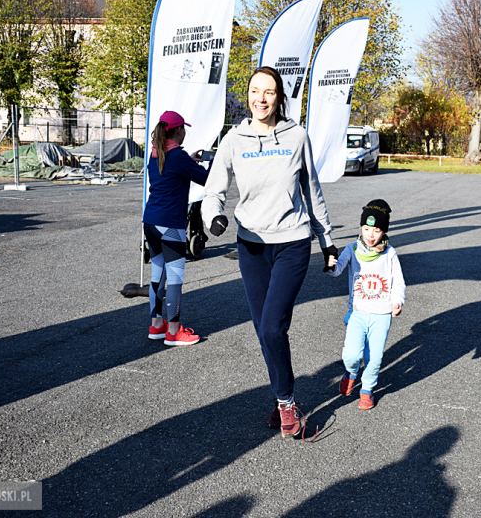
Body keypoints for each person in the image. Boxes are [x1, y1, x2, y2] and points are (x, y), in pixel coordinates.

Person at [201, 66, 337, 439]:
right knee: (265, 331)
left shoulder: (296, 136)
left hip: (292, 243)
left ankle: (287, 400)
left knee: (273, 326)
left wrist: (327, 241)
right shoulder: (234, 139)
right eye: (255, 91)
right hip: (251, 246)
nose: (260, 98)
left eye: (269, 92)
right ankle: (283, 398)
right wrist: (214, 217)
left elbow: (312, 191)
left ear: (280, 98)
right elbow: (213, 189)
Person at [326, 199, 406, 410]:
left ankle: (367, 390)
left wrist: (398, 300)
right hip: (358, 312)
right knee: (351, 354)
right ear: (361, 227)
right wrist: (331, 264)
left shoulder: (390, 253)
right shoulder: (352, 248)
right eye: (366, 228)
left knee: (374, 357)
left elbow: (398, 281)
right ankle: (351, 373)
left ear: (384, 231)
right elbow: (338, 269)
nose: (370, 235)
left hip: (381, 314)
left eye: (377, 230)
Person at [143, 111, 209, 346]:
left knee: (157, 276)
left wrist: (188, 160)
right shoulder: (178, 157)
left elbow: (171, 170)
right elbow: (207, 179)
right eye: (184, 129)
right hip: (170, 225)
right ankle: (173, 332)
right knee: (175, 278)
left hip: (150, 221)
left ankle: (156, 326)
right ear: (178, 130)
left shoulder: (155, 153)